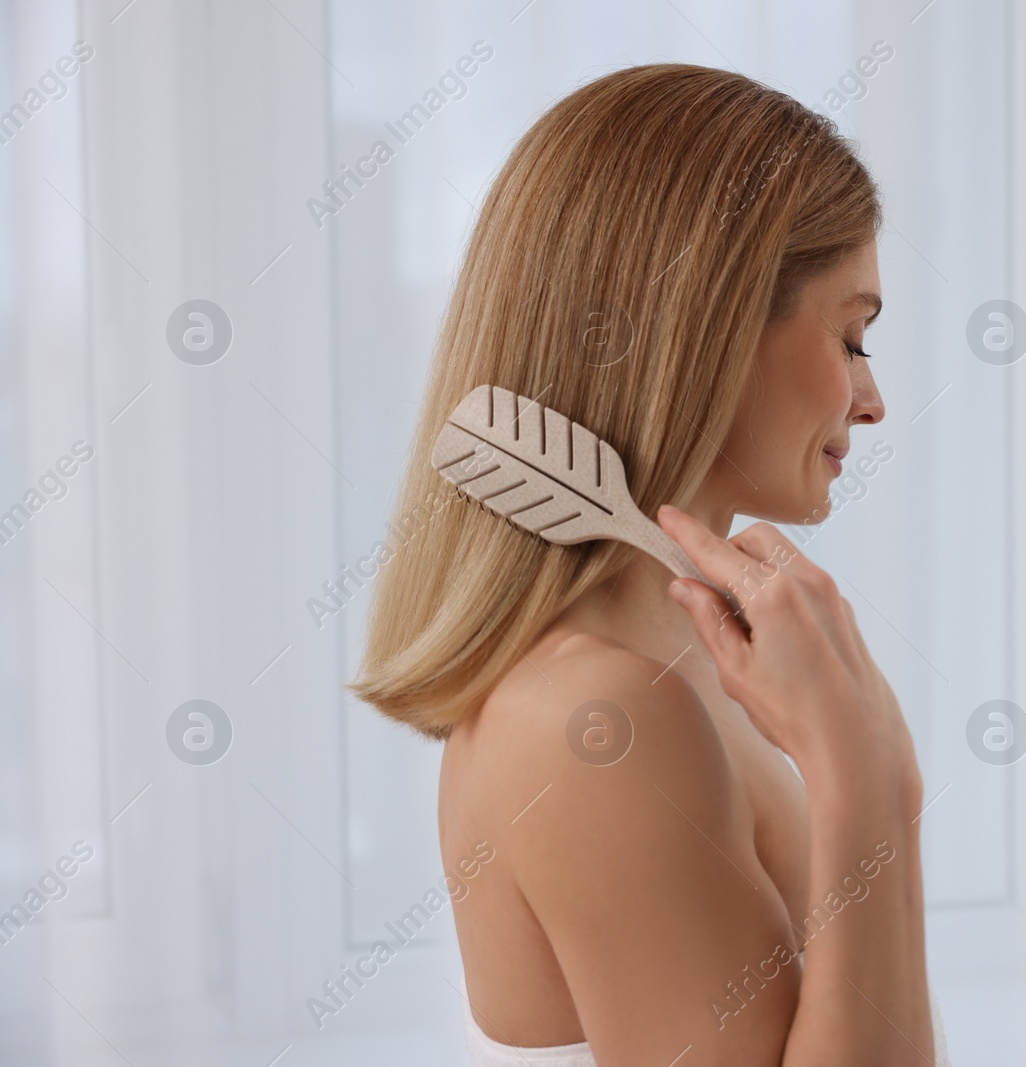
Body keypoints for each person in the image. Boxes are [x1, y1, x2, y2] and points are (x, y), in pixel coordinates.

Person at [354, 63, 951, 1066]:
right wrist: (866, 776)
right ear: (709, 331)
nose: (872, 398)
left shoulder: (669, 667)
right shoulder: (602, 717)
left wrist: (869, 768)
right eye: (852, 335)